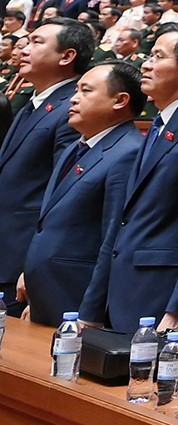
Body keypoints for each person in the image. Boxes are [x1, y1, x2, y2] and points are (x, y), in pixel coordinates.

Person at [79, 24, 178, 330]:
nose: (146, 63)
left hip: (161, 292)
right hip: (121, 287)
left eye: (158, 56)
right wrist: (91, 307)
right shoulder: (157, 123)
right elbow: (122, 220)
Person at [18, 60, 141, 325]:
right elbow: (47, 221)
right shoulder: (77, 145)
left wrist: (90, 313)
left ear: (119, 100)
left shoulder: (128, 152)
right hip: (45, 293)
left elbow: (112, 240)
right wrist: (30, 273)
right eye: (75, 90)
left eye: (86, 91)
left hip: (76, 298)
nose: (74, 99)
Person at [0, 17, 87, 308]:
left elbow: (61, 193)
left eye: (37, 42)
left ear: (67, 56)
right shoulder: (33, 103)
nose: (24, 48)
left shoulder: (71, 108)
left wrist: (33, 262)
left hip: (22, 261)